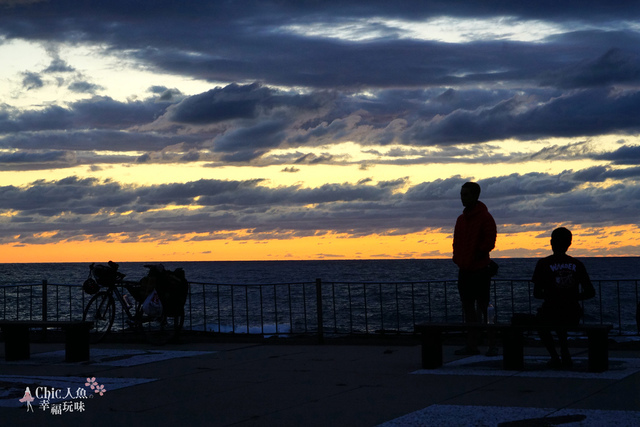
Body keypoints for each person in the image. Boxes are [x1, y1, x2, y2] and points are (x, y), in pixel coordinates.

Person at [532, 227, 596, 369]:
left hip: (551, 311)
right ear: (569, 244)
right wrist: (572, 297)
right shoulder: (577, 264)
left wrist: (553, 296)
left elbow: (536, 293)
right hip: (572, 313)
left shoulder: (543, 263)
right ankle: (564, 351)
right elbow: (590, 292)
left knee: (542, 322)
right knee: (560, 315)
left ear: (551, 242)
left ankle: (555, 356)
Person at [452, 181, 497, 355]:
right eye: (461, 194)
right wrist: (458, 259)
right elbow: (456, 242)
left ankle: (492, 345)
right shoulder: (461, 219)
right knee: (468, 308)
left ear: (475, 196)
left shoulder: (486, 217)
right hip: (464, 270)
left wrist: (475, 257)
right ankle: (472, 345)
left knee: (486, 309)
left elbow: (489, 243)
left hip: (479, 270)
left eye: (466, 194)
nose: (462, 198)